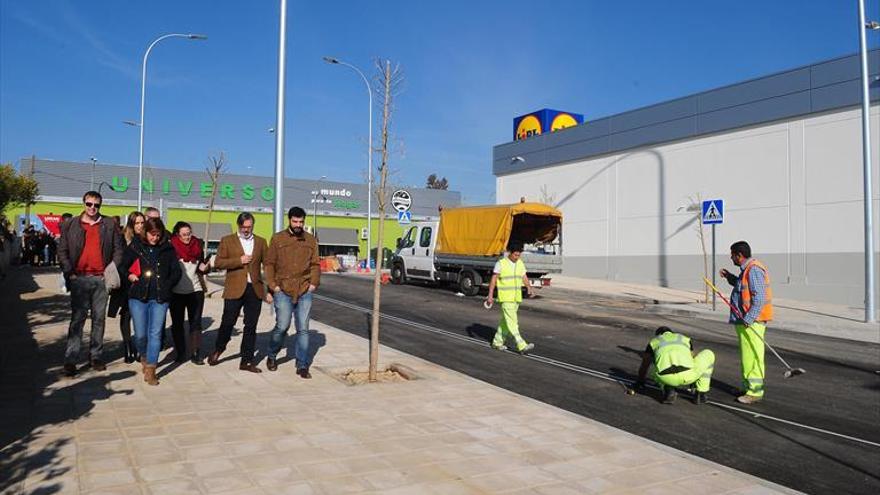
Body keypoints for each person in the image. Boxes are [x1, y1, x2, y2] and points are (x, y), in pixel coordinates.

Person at [57, 191, 124, 377]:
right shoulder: (71, 224)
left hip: (100, 279)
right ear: (83, 203)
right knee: (77, 320)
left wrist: (110, 270)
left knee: (99, 319)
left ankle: (95, 356)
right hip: (79, 279)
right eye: (89, 204)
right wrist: (69, 273)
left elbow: (119, 250)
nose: (92, 208)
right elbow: (62, 250)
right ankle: (71, 359)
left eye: (96, 205)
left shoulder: (109, 224)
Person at [118, 217, 181, 385]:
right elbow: (122, 266)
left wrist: (167, 285)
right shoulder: (135, 247)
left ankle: (151, 369)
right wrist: (129, 275)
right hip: (138, 296)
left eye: (158, 235)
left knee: (155, 334)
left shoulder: (168, 249)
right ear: (145, 233)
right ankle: (144, 355)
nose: (155, 238)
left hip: (160, 298)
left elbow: (176, 272)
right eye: (152, 234)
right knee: (140, 334)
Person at [207, 212, 268, 373]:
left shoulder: (261, 242)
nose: (246, 230)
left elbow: (268, 265)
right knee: (228, 322)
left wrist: (270, 289)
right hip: (234, 288)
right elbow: (218, 263)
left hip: (254, 289)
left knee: (251, 326)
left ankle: (246, 360)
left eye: (249, 227)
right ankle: (219, 349)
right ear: (238, 226)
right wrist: (238, 261)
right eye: (243, 227)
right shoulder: (227, 240)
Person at [264, 206, 320, 378]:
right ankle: (272, 355)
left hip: (304, 289)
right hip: (283, 289)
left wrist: (313, 283)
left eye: (301, 222)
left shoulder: (310, 240)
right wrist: (273, 286)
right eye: (295, 221)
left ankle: (302, 365)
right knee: (282, 326)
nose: (298, 224)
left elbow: (315, 264)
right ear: (289, 220)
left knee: (303, 328)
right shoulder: (278, 238)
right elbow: (269, 264)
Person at [720, 240, 773, 405]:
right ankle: (747, 387)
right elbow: (740, 286)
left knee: (753, 357)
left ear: (739, 255)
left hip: (752, 321)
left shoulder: (754, 269)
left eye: (732, 255)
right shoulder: (746, 270)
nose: (731, 258)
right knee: (747, 356)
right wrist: (729, 276)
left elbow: (759, 298)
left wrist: (749, 319)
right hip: (745, 321)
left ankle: (755, 392)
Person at [633, 326, 716, 405]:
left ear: (658, 335)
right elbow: (692, 358)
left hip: (666, 378)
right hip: (688, 376)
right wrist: (693, 382)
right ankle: (700, 394)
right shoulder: (683, 338)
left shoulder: (654, 342)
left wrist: (640, 381)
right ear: (671, 332)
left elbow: (645, 365)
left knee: (654, 365)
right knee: (709, 353)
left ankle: (669, 390)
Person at [169, 221, 210, 365]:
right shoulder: (171, 246)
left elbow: (202, 265)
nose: (187, 237)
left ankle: (195, 353)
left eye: (189, 234)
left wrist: (206, 267)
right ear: (177, 235)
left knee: (196, 323)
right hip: (176, 291)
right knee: (177, 324)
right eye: (184, 235)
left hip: (196, 290)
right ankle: (181, 352)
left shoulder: (197, 244)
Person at [107, 211, 145, 363]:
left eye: (142, 223)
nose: (140, 226)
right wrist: (128, 274)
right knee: (126, 315)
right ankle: (128, 346)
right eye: (137, 223)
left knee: (140, 316)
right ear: (131, 224)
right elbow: (118, 262)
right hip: (125, 282)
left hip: (142, 282)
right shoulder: (123, 239)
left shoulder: (146, 239)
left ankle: (138, 345)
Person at [486, 242, 535, 354]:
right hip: (506, 298)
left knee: (506, 321)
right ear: (510, 253)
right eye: (515, 255)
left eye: (519, 255)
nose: (517, 257)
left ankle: (497, 342)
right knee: (513, 321)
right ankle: (521, 345)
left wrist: (529, 287)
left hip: (516, 298)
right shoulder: (501, 263)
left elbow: (524, 277)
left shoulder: (520, 263)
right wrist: (490, 295)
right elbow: (493, 280)